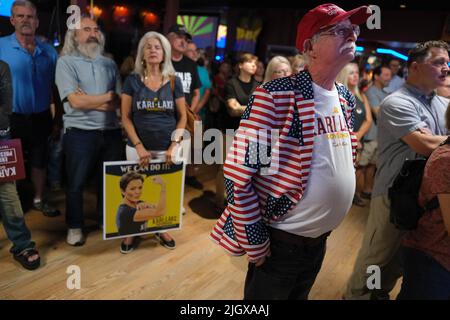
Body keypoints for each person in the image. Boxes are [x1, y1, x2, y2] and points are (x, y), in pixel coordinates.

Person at [210, 3, 370, 300]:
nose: (351, 34)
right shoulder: (275, 95)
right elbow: (238, 174)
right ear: (309, 47)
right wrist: (254, 238)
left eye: (354, 29)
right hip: (282, 243)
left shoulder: (345, 97)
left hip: (319, 240)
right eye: (339, 30)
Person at [345, 40, 450, 300]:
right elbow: (425, 145)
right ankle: (358, 297)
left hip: (422, 197)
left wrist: (434, 140)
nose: (446, 68)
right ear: (415, 67)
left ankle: (378, 294)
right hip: (393, 193)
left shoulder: (441, 104)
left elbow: (434, 144)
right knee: (378, 257)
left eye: (448, 63)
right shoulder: (397, 102)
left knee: (400, 260)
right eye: (438, 62)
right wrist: (435, 140)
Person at [55, 16, 123, 246]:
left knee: (109, 181)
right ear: (74, 35)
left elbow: (119, 101)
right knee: (76, 183)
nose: (93, 33)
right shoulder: (66, 62)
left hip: (111, 132)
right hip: (79, 133)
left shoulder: (110, 63)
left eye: (96, 29)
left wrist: (91, 100)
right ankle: (75, 226)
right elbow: (75, 102)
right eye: (86, 29)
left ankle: (106, 219)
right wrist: (106, 98)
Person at [121, 31, 186, 252]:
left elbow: (182, 117)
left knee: (161, 189)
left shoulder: (174, 81)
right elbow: (125, 117)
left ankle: (160, 228)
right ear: (142, 53)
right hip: (137, 149)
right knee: (134, 190)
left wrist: (174, 145)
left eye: (157, 47)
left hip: (167, 148)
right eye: (148, 47)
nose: (152, 50)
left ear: (164, 52)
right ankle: (131, 233)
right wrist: (138, 146)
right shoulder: (132, 80)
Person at [0, 0, 61, 217]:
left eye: (30, 16)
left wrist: (58, 119)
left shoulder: (48, 52)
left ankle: (38, 199)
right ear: (12, 20)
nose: (25, 20)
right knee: (10, 163)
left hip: (41, 116)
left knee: (39, 159)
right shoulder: (1, 47)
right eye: (20, 16)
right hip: (10, 117)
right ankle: (12, 207)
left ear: (36, 22)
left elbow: (56, 87)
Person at [397, 105, 450, 300]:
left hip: (438, 261)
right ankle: (363, 292)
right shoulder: (445, 160)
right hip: (433, 259)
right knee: (376, 263)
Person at [0, 60, 40, 270]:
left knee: (7, 191)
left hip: (0, 135)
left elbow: (6, 108)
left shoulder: (2, 66)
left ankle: (22, 244)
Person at [166, 24, 202, 189]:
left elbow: (196, 92)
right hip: (163, 118)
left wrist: (189, 113)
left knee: (181, 158)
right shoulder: (162, 61)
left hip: (183, 120)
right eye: (180, 37)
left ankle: (176, 196)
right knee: (163, 159)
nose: (183, 42)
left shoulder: (191, 64)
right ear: (169, 38)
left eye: (186, 39)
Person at [337, 62, 373, 206]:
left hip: (357, 140)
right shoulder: (339, 94)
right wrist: (351, 138)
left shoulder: (361, 96)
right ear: (345, 75)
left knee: (354, 169)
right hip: (341, 141)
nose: (356, 76)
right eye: (351, 72)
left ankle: (352, 196)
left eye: (357, 72)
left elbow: (368, 120)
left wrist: (357, 136)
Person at [360, 65, 392, 199]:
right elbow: (377, 112)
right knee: (361, 165)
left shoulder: (385, 93)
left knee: (372, 165)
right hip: (370, 135)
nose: (388, 78)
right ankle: (356, 193)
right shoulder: (371, 91)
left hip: (379, 135)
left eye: (389, 75)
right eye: (385, 75)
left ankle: (367, 190)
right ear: (377, 76)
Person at [116, 173, 167, 253]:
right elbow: (160, 211)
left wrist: (148, 205)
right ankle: (129, 239)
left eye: (140, 188)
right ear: (123, 191)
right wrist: (163, 186)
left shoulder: (138, 203)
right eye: (132, 189)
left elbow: (158, 207)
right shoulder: (126, 211)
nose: (138, 192)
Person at [185, 41, 212, 121]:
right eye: (190, 51)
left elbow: (207, 92)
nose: (195, 53)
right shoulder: (179, 69)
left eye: (196, 50)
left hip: (198, 114)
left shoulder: (203, 71)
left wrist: (195, 111)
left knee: (197, 133)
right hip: (180, 114)